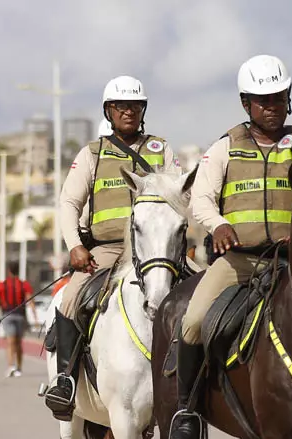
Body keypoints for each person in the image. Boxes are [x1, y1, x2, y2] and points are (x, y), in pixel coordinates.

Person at [171, 54, 292, 439]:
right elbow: (202, 200)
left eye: (278, 99)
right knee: (192, 322)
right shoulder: (224, 148)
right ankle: (186, 410)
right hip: (239, 262)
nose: (272, 107)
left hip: (289, 265)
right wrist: (219, 225)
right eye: (263, 101)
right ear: (247, 104)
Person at [43, 76, 179, 418]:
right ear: (109, 111)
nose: (129, 112)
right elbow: (68, 204)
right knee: (71, 299)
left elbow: (179, 196)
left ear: (143, 109)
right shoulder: (92, 153)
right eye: (121, 106)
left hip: (153, 250)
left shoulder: (161, 149)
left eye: (135, 106)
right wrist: (75, 246)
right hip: (106, 249)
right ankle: (65, 382)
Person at [0, 262, 37, 378]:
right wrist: (35, 317)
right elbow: (30, 300)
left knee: (10, 342)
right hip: (20, 316)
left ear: (9, 271)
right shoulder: (24, 285)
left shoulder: (1, 285)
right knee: (18, 343)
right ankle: (19, 368)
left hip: (7, 315)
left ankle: (10, 366)